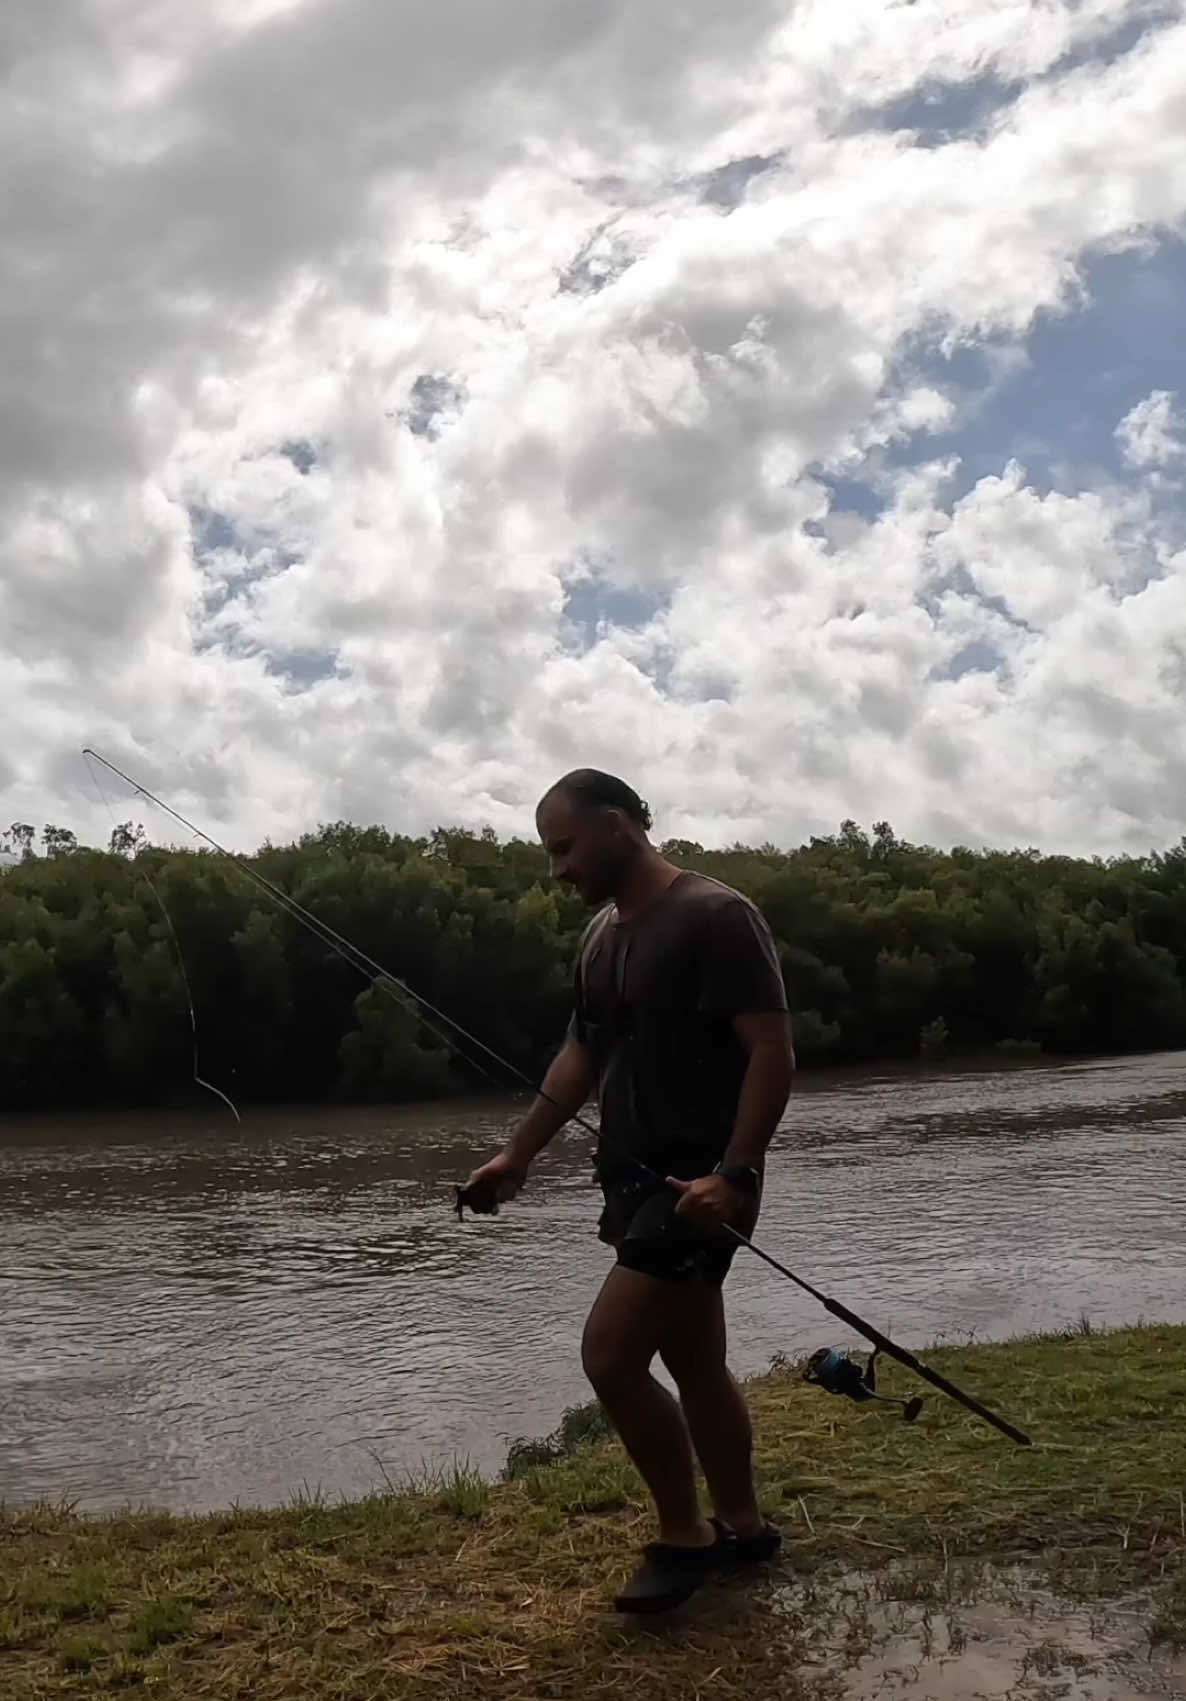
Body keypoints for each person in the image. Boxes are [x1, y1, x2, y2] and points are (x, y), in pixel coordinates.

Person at [464, 768, 795, 1614]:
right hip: (634, 1182)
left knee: (610, 1355)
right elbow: (581, 1057)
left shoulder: (717, 916)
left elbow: (770, 1050)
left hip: (701, 1184)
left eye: (565, 848)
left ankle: (686, 1538)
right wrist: (518, 1155)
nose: (557, 870)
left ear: (620, 825)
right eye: (550, 854)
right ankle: (746, 1528)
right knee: (694, 1359)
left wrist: (738, 1171)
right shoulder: (600, 941)